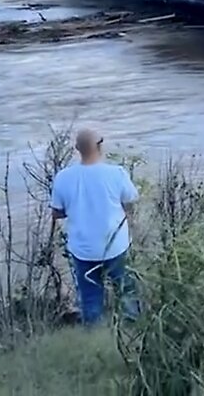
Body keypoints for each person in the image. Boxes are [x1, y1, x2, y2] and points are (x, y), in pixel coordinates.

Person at [51, 128, 141, 325]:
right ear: (100, 146)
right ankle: (133, 331)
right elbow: (131, 200)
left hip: (83, 249)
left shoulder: (63, 178)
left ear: (77, 149)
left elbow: (57, 212)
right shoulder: (116, 173)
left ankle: (94, 335)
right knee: (126, 291)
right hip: (115, 245)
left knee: (90, 298)